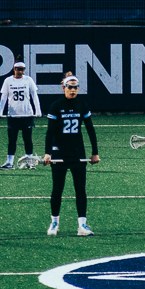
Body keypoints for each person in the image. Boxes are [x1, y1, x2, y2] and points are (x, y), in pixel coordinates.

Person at [44, 73, 101, 237]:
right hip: (59, 153)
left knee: (80, 190)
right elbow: (50, 132)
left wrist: (94, 152)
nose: (73, 90)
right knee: (57, 190)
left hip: (77, 154)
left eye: (76, 87)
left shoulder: (81, 105)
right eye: (70, 87)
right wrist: (48, 153)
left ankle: (82, 225)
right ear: (64, 88)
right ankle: (54, 222)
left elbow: (90, 129)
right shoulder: (56, 106)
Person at [0, 60, 40, 169]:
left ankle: (30, 162)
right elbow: (4, 96)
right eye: (18, 69)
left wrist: (38, 110)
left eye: (22, 69)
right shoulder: (8, 81)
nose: (20, 72)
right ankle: (10, 162)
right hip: (13, 115)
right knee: (12, 139)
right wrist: (0, 111)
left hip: (26, 115)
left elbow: (34, 95)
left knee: (27, 139)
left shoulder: (28, 80)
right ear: (14, 69)